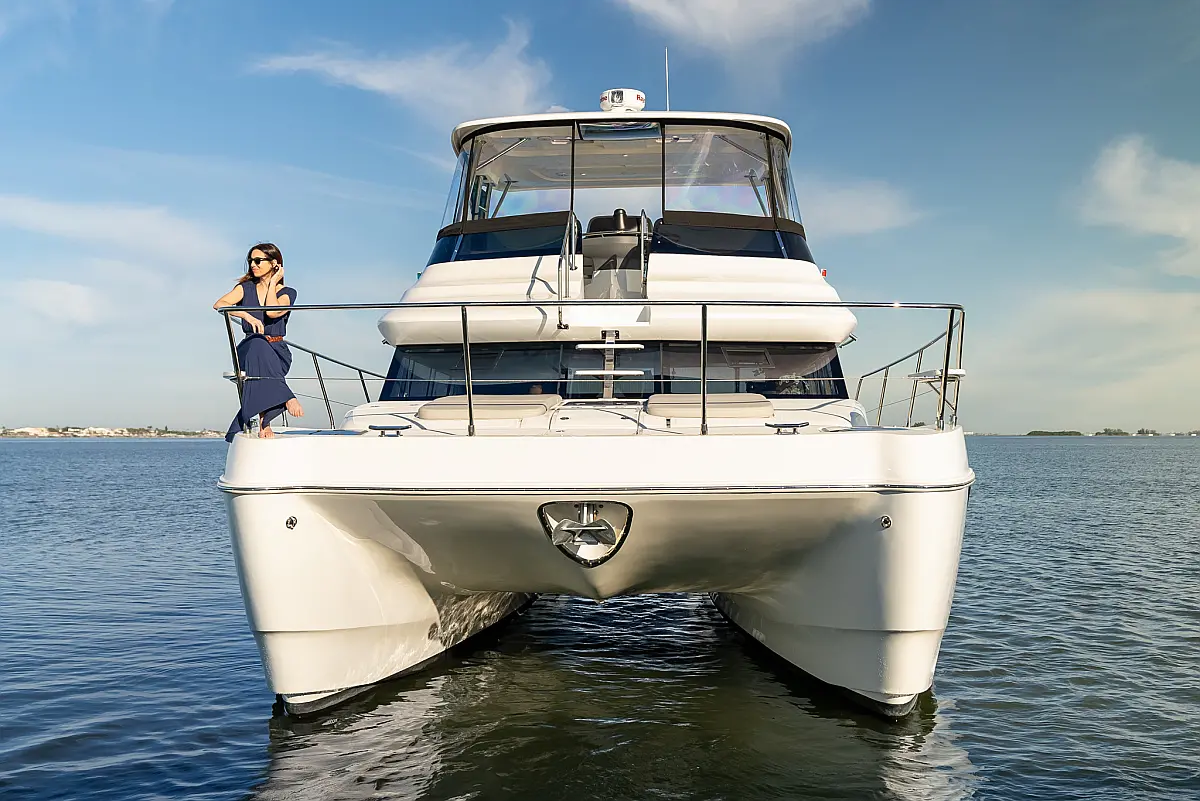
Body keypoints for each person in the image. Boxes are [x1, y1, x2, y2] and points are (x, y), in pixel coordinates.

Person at [214, 243, 304, 440]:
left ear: (274, 263)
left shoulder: (288, 292)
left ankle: (266, 416)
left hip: (277, 350)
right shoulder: (244, 288)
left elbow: (272, 312)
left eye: (258, 261)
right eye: (250, 261)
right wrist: (246, 315)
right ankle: (277, 407)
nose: (252, 265)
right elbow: (219, 304)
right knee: (257, 343)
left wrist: (273, 283)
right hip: (249, 348)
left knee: (262, 354)